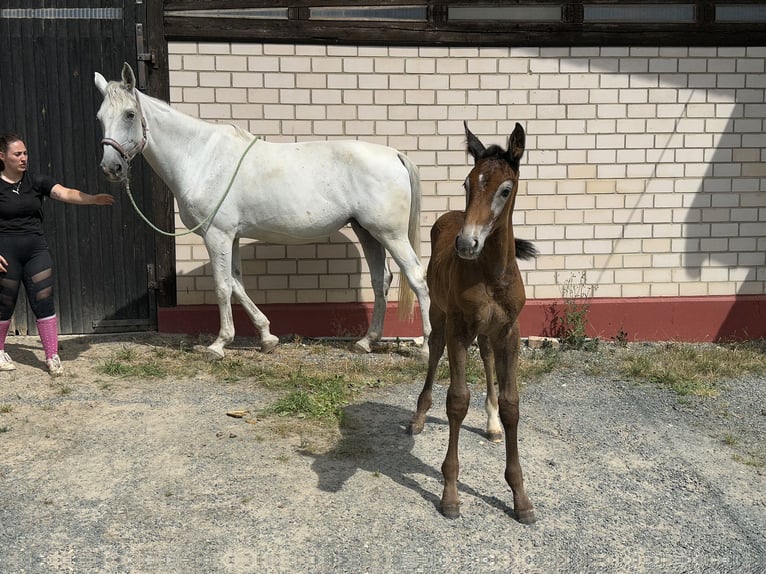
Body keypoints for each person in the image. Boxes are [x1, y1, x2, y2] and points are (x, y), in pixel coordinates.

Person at [0, 133, 115, 377]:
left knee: (44, 299)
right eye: (17, 154)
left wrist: (92, 199)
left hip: (35, 251)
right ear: (2, 156)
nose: (23, 158)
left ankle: (52, 355)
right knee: (4, 303)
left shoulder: (36, 181)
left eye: (25, 153)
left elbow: (65, 193)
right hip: (6, 254)